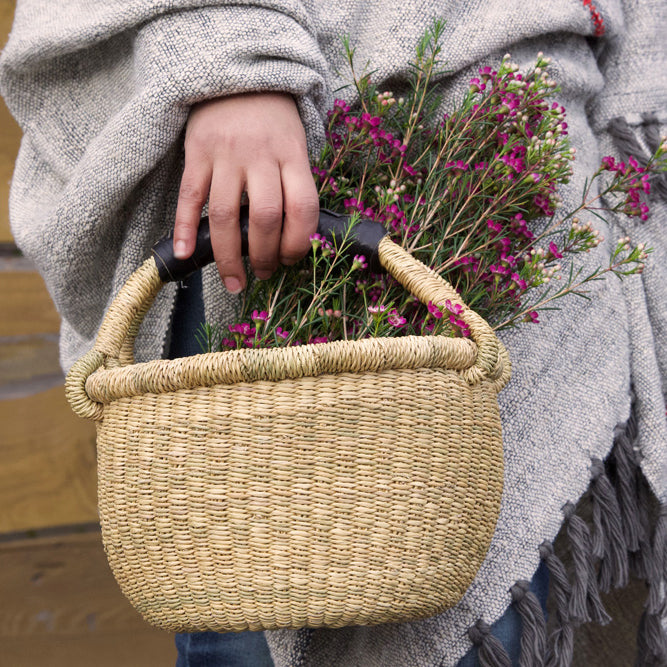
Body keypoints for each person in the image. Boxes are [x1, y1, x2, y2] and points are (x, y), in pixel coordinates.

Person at [1, 1, 665, 665]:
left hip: (540, 140)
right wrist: (224, 45)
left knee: (503, 619)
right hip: (271, 133)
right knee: (259, 611)